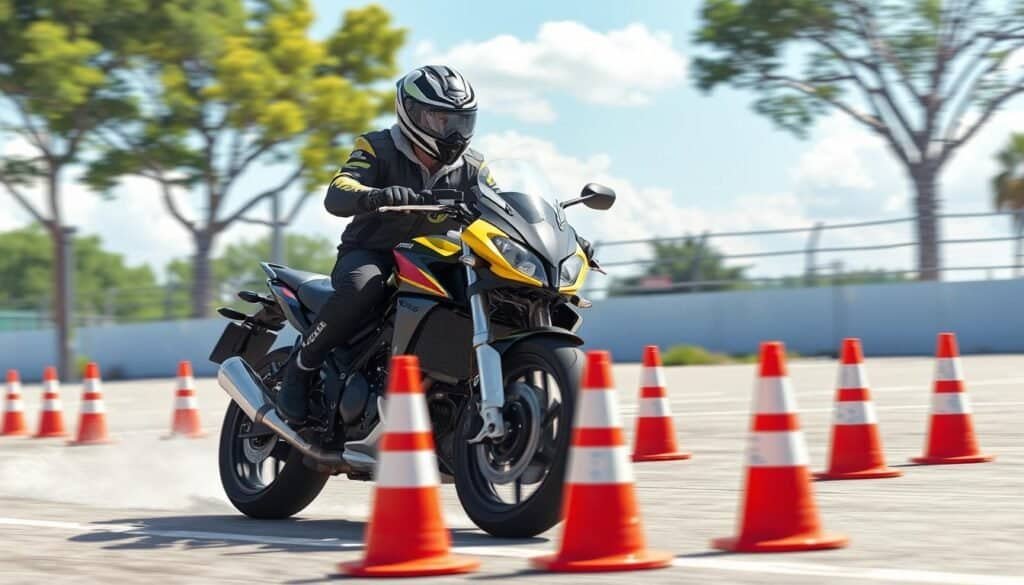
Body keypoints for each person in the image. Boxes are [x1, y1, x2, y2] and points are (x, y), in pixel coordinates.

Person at [276, 65, 592, 423]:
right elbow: (339, 190)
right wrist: (376, 196)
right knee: (364, 287)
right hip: (374, 252)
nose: (453, 132)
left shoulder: (473, 166)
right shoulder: (378, 147)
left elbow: (503, 206)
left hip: (437, 255)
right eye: (441, 119)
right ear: (412, 115)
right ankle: (302, 368)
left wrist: (569, 238)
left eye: (461, 122)